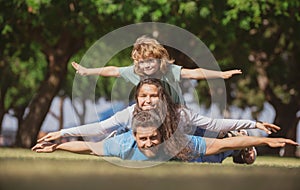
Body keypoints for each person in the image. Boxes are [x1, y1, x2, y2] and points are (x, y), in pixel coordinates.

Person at [37, 78, 280, 163]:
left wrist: (254, 125)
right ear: (137, 98)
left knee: (214, 154)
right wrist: (61, 134)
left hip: (193, 141)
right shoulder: (130, 115)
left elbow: (213, 124)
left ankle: (239, 147)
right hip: (171, 151)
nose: (149, 100)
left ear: (162, 97)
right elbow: (99, 131)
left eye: (154, 95)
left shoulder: (180, 113)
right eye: (144, 96)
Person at [32, 110, 299, 162]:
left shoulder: (177, 142)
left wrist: (263, 140)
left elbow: (221, 142)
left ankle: (240, 154)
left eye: (152, 139)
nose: (147, 144)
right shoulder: (123, 144)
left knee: (221, 152)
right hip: (186, 160)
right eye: (142, 139)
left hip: (192, 154)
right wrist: (58, 147)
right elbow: (90, 147)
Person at [72, 35, 242, 104]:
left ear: (160, 59)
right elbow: (112, 71)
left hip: (176, 109)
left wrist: (220, 74)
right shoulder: (134, 72)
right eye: (142, 62)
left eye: (151, 61)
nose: (146, 66)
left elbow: (194, 73)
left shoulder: (168, 70)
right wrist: (88, 71)